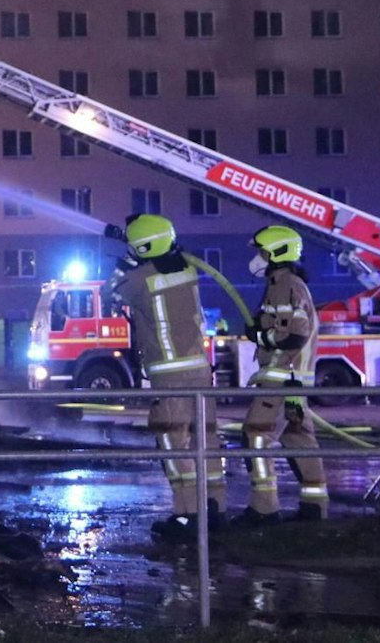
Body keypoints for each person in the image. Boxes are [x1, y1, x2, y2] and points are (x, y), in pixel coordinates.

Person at [114, 213, 227, 537]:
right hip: (199, 370)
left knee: (174, 445)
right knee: (206, 441)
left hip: (169, 374)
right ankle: (214, 510)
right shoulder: (188, 271)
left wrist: (125, 262)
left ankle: (187, 517)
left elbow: (113, 293)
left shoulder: (138, 280)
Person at [236, 225, 328, 525]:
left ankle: (264, 509)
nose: (257, 259)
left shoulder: (285, 285)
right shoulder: (288, 283)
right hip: (292, 379)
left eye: (262, 252)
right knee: (299, 439)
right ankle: (314, 507)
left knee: (255, 436)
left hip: (280, 376)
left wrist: (261, 337)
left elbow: (295, 335)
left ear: (277, 253)